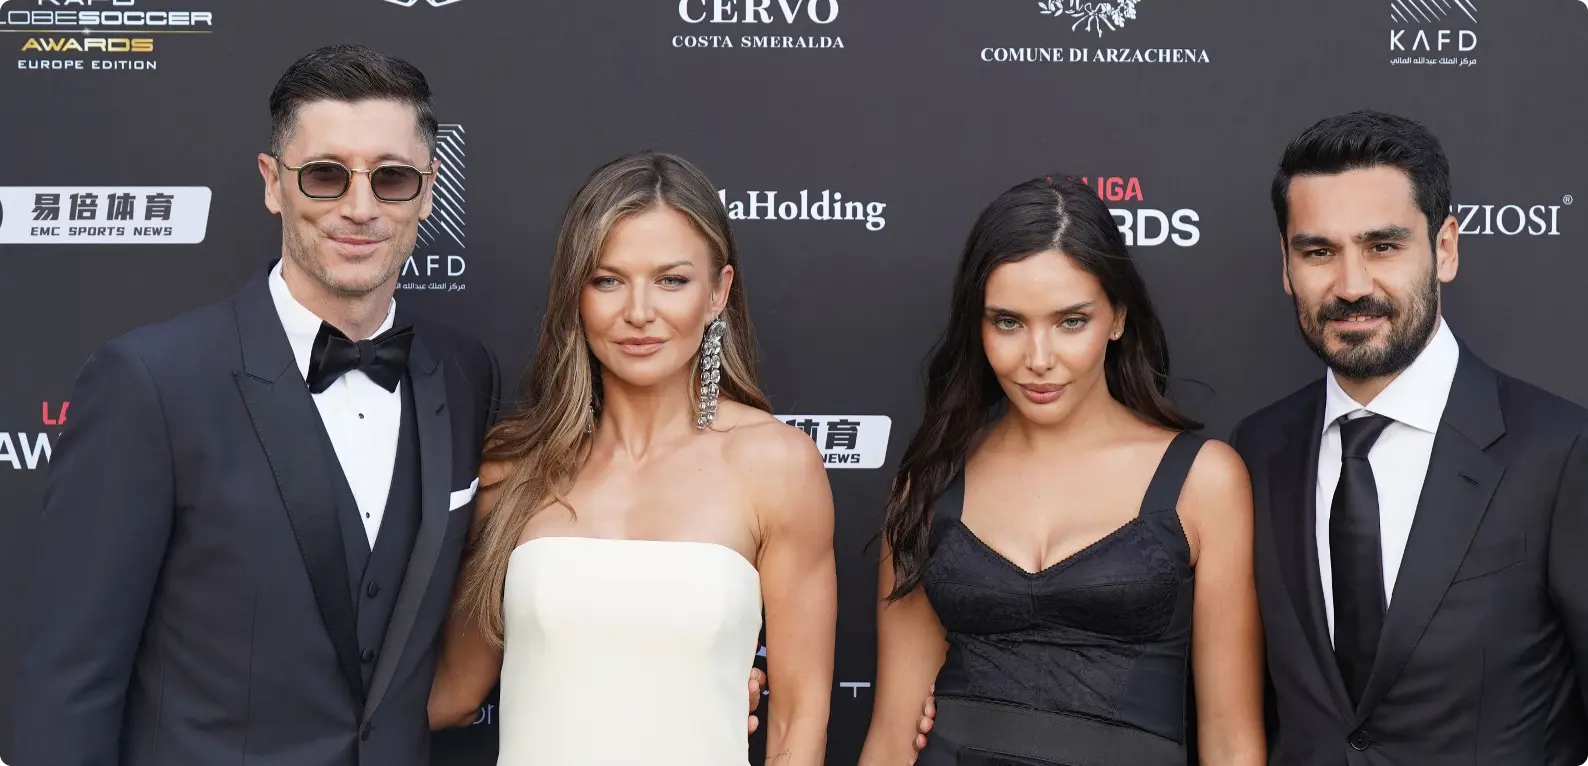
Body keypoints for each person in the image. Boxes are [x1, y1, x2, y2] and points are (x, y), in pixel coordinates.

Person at [7, 44, 500, 766]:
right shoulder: (151, 382)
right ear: (273, 183)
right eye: (325, 175)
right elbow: (68, 684)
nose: (360, 208)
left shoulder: (462, 373)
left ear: (428, 192)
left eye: (391, 178)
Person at [425, 150, 836, 765]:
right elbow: (454, 693)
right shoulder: (514, 463)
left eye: (671, 281)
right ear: (576, 293)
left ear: (719, 292)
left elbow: (799, 723)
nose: (639, 312)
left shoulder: (776, 465)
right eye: (607, 280)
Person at [858, 174, 1266, 766]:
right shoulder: (928, 482)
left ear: (1117, 316)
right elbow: (894, 734)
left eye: (1071, 321)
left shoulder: (1204, 480)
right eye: (1008, 322)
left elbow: (1232, 742)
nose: (1039, 359)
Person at [1232, 110, 1588, 764]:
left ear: (1445, 249)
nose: (1351, 286)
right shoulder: (1254, 452)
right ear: (1285, 264)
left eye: (1383, 246)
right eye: (1318, 252)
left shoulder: (1562, 452)